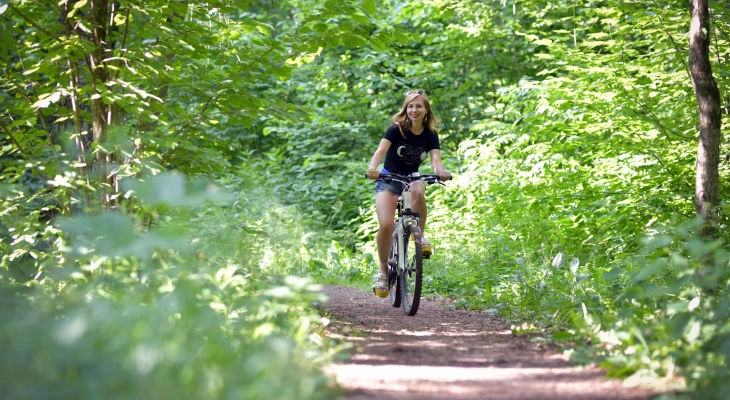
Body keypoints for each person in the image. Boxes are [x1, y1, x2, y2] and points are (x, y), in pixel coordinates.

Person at [366, 89, 451, 298]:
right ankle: (384, 270)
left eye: (419, 106)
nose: (414, 110)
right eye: (410, 106)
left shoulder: (430, 135)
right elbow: (380, 151)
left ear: (426, 110)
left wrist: (441, 173)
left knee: (418, 188)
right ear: (406, 109)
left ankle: (419, 238)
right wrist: (372, 168)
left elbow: (436, 161)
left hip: (412, 176)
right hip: (389, 178)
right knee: (386, 224)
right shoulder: (397, 129)